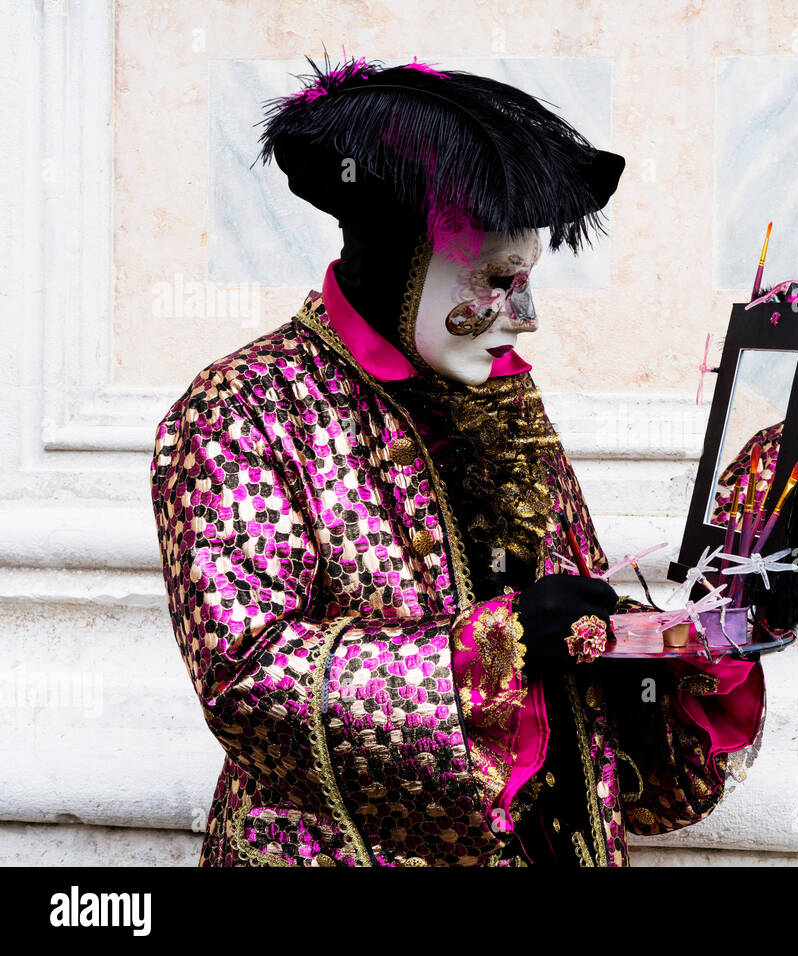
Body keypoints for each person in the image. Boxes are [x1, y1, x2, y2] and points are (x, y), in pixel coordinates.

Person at [149, 56, 765, 866]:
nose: (528, 316)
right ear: (403, 266)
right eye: (498, 281)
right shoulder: (243, 410)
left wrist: (671, 653)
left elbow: (587, 712)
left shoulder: (503, 407)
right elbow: (249, 683)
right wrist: (495, 648)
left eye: (528, 280)